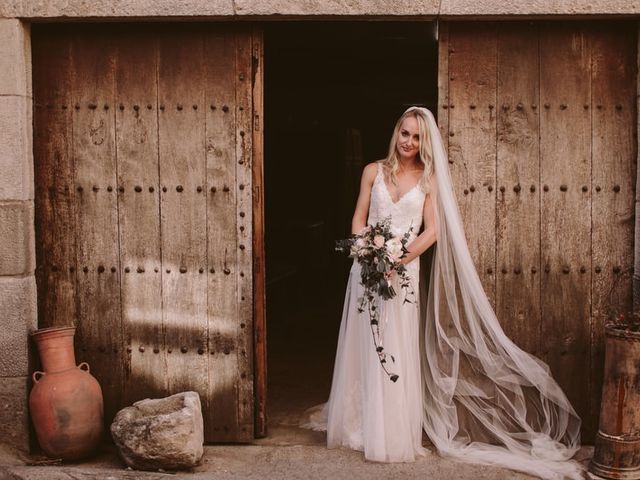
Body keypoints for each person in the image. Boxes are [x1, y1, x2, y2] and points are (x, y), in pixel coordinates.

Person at [303, 106, 584, 480]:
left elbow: (431, 230)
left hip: (402, 271)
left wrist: (399, 258)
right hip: (366, 270)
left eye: (417, 137)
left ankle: (390, 430)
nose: (409, 142)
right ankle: (359, 422)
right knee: (362, 343)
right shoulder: (373, 171)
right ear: (396, 133)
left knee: (395, 346)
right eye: (405, 134)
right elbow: (358, 217)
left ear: (425, 142)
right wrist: (365, 248)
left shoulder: (428, 180)